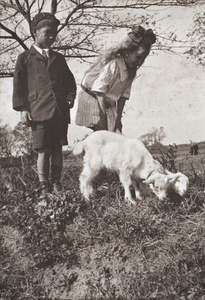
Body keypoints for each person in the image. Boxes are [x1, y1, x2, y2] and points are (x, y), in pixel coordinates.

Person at [12, 12, 77, 195]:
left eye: (54, 34)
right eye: (47, 33)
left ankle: (56, 183)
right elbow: (19, 86)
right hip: (38, 111)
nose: (51, 37)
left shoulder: (59, 58)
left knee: (57, 147)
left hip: (59, 111)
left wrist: (71, 94)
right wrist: (23, 109)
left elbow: (69, 81)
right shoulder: (24, 58)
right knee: (43, 149)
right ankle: (43, 185)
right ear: (35, 32)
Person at [75, 25, 156, 132]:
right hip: (93, 99)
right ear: (127, 51)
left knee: (115, 131)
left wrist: (118, 119)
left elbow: (124, 95)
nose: (140, 62)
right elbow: (99, 90)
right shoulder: (114, 64)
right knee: (102, 131)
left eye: (143, 59)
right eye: (138, 57)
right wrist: (102, 117)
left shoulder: (131, 71)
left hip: (108, 103)